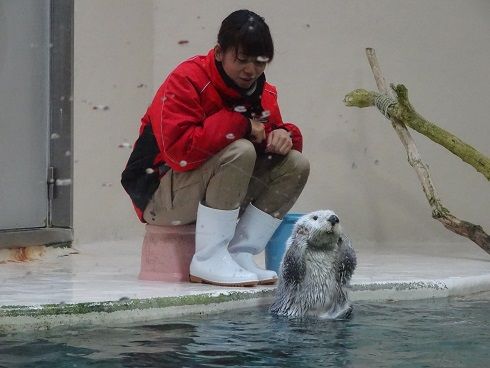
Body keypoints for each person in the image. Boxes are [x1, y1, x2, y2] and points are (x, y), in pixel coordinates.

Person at [121, 9, 310, 287]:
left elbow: (267, 142)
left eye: (259, 62)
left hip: (203, 191)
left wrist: (284, 135)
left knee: (295, 164)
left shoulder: (262, 91)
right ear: (219, 52)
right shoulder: (186, 81)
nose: (250, 70)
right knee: (240, 150)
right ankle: (209, 259)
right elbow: (179, 154)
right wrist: (241, 124)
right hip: (157, 196)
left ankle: (239, 253)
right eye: (241, 60)